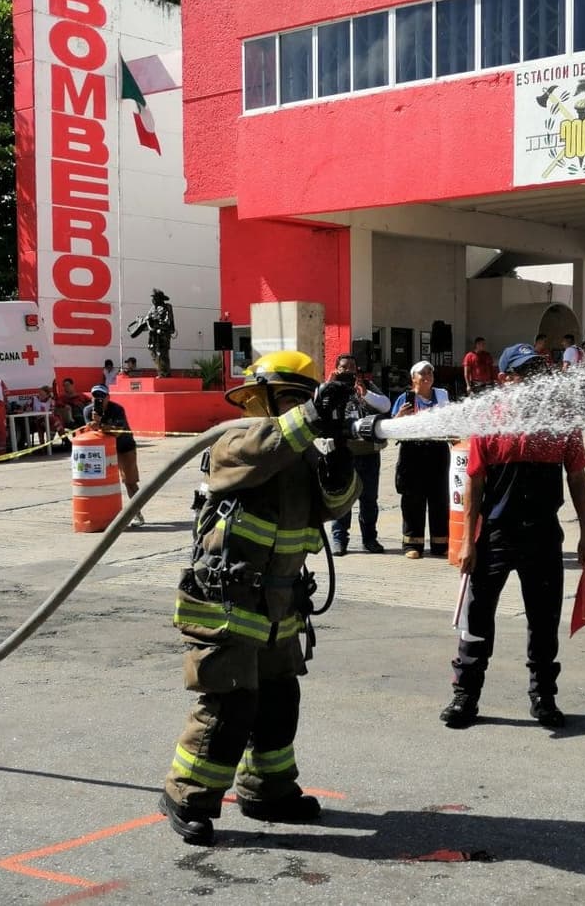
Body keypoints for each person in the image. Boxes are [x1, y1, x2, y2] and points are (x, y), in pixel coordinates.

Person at [159, 350, 360, 846]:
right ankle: (186, 795)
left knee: (278, 700)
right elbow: (263, 448)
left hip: (281, 604)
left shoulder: (302, 452)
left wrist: (339, 470)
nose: (296, 407)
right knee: (230, 703)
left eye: (301, 397)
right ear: (260, 399)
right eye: (287, 398)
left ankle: (267, 790)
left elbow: (333, 506)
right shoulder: (235, 441)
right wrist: (312, 416)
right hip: (227, 601)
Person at [441, 343, 585, 730]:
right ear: (505, 379)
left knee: (544, 622)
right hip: (494, 535)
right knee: (477, 619)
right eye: (525, 372)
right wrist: (465, 541)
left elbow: (576, 478)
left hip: (543, 535)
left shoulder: (560, 419)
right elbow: (474, 480)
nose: (534, 379)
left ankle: (544, 698)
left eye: (538, 371)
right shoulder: (488, 420)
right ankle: (466, 697)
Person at [327, 352, 391, 556]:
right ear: (336, 369)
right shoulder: (330, 388)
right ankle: (339, 540)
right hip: (341, 453)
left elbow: (386, 405)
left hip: (368, 454)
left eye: (351, 367)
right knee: (341, 497)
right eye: (343, 367)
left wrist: (365, 393)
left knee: (369, 499)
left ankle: (370, 539)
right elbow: (319, 413)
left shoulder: (366, 386)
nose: (348, 371)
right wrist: (328, 388)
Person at [390, 360, 450, 559]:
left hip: (437, 451)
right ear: (413, 378)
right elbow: (393, 428)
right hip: (412, 452)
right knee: (412, 498)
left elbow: (449, 422)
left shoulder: (441, 396)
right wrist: (400, 415)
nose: (427, 376)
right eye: (422, 373)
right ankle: (412, 544)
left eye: (430, 373)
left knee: (439, 497)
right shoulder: (405, 398)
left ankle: (440, 544)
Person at [84, 384, 144, 525]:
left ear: (108, 398)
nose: (98, 399)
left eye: (101, 396)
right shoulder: (88, 411)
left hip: (124, 447)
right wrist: (94, 424)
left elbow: (117, 432)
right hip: (103, 450)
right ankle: (104, 515)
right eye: (95, 396)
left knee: (130, 482)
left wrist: (100, 424)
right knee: (101, 484)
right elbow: (90, 433)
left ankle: (137, 514)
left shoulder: (117, 409)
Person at [131, 288, 177, 377]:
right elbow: (147, 323)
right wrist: (141, 321)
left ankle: (165, 373)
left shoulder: (167, 307)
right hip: (153, 335)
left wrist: (155, 321)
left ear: (161, 298)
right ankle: (160, 371)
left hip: (162, 334)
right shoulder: (152, 309)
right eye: (153, 298)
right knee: (153, 352)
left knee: (162, 353)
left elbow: (167, 321)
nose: (154, 300)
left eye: (156, 298)